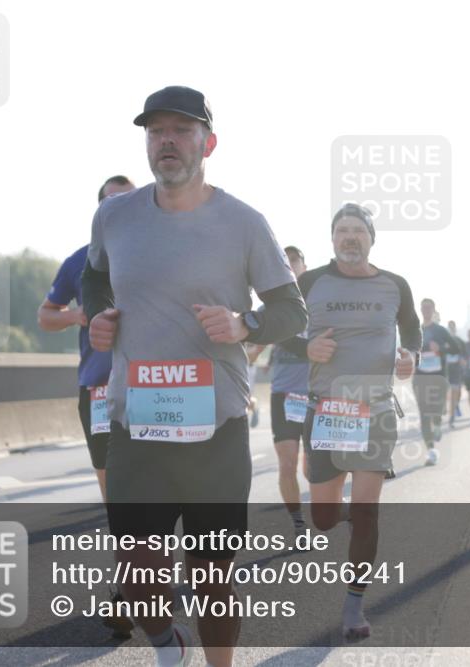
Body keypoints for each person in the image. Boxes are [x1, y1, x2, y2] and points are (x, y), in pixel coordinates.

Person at [81, 86, 307, 667]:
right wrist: (99, 316)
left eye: (180, 130)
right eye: (155, 132)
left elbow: (291, 312)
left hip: (217, 428)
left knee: (211, 578)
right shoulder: (114, 216)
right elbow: (92, 279)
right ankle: (166, 645)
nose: (166, 142)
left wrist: (244, 323)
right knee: (136, 575)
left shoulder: (244, 222)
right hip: (138, 424)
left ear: (208, 142)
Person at [285, 202, 421, 641]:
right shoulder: (310, 282)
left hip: (376, 410)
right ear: (332, 239)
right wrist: (304, 348)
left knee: (366, 511)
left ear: (371, 237)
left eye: (357, 229)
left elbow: (412, 330)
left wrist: (410, 357)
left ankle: (353, 605)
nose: (349, 236)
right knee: (324, 518)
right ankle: (343, 517)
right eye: (342, 229)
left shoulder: (395, 284)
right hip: (325, 410)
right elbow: (279, 329)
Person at [37, 174, 135, 640]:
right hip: (98, 388)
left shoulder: (161, 249)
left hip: (157, 385)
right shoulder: (80, 261)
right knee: (116, 493)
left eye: (126, 201)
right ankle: (129, 587)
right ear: (98, 213)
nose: (118, 210)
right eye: (109, 204)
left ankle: (141, 580)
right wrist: (77, 314)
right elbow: (45, 315)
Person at [257, 246, 311, 540]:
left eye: (294, 260)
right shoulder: (273, 306)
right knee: (287, 462)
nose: (289, 265)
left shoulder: (321, 302)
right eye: (284, 261)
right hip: (284, 394)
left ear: (304, 265)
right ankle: (299, 523)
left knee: (313, 468)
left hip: (317, 395)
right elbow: (250, 346)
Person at [412, 299, 457, 465]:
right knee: (424, 414)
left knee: (436, 411)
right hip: (420, 378)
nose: (426, 310)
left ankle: (438, 424)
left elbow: (455, 348)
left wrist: (440, 349)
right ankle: (431, 451)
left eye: (429, 308)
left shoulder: (440, 331)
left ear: (433, 310)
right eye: (423, 308)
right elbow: (407, 350)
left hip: (438, 378)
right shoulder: (415, 330)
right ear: (420, 310)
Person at [444, 320, 467, 428]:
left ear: (455, 329)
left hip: (457, 370)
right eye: (449, 327)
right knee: (446, 393)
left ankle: (452, 414)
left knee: (456, 392)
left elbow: (466, 356)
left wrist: (463, 361)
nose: (451, 329)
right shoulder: (443, 340)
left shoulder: (460, 341)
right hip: (445, 370)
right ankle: (451, 414)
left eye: (453, 327)